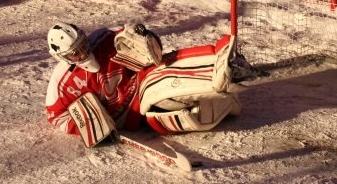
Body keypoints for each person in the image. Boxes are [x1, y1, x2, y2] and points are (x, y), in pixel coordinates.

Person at [45, 21, 241, 148]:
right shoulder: (61, 82)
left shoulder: (104, 38)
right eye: (75, 53)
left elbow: (129, 34)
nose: (83, 53)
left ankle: (220, 60)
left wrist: (142, 35)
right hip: (127, 119)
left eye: (83, 45)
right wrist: (87, 125)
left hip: (140, 82)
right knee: (172, 116)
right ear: (62, 57)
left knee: (167, 72)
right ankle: (227, 104)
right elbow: (55, 116)